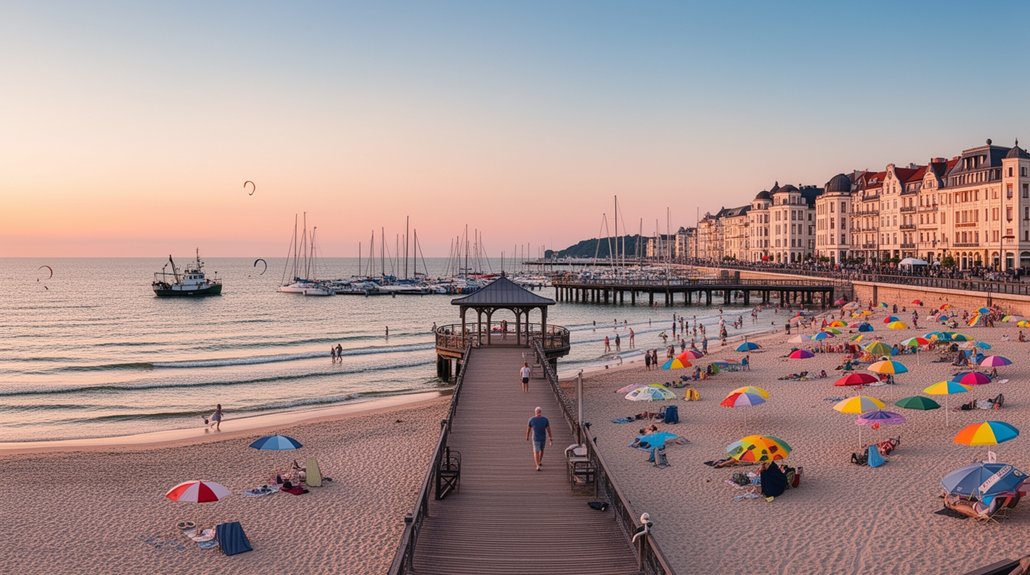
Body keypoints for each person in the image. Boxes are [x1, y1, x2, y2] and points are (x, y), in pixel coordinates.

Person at [526, 406, 553, 471]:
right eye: (537, 411)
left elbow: (548, 429)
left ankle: (539, 461)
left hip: (543, 437)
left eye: (539, 411)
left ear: (541, 412)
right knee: (536, 451)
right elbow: (528, 428)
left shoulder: (545, 419)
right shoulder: (531, 419)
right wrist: (527, 436)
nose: (538, 413)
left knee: (542, 450)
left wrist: (550, 438)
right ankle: (537, 465)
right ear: (535, 412)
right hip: (535, 438)